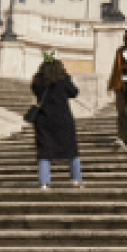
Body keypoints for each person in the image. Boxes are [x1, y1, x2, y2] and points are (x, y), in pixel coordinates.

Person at [31, 51, 82, 190]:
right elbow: (74, 92)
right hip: (63, 119)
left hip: (44, 119)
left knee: (44, 151)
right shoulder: (63, 78)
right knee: (71, 150)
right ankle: (76, 180)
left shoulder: (38, 79)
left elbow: (35, 91)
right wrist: (66, 76)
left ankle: (44, 182)